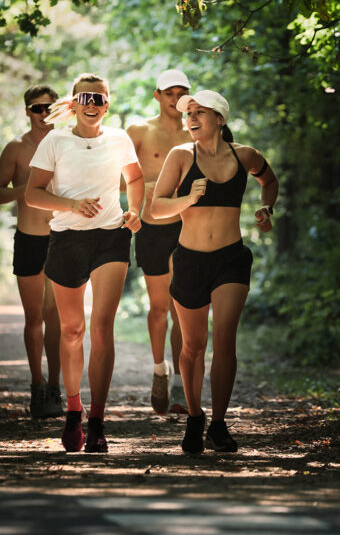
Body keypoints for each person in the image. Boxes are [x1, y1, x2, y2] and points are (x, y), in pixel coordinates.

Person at [150, 90, 278, 454]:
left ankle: (219, 424)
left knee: (224, 340)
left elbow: (269, 181)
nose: (190, 118)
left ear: (219, 118)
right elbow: (156, 208)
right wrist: (187, 198)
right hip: (190, 260)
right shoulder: (180, 156)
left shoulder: (246, 155)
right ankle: (194, 418)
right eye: (187, 113)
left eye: (198, 112)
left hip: (231, 259)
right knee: (192, 346)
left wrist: (266, 209)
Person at [25, 73, 144, 453]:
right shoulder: (55, 141)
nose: (92, 104)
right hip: (67, 240)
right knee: (73, 331)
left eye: (99, 98)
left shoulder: (119, 138)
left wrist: (136, 210)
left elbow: (136, 177)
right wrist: (72, 205)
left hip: (110, 237)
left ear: (108, 104)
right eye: (85, 98)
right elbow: (32, 195)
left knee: (102, 328)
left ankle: (97, 421)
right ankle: (73, 412)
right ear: (74, 104)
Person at [0, 85, 63, 420]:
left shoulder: (68, 144)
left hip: (62, 238)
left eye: (50, 107)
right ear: (27, 111)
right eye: (37, 108)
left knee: (57, 318)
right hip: (30, 239)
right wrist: (29, 186)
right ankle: (37, 385)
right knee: (34, 317)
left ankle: (57, 387)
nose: (44, 113)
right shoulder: (16, 149)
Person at [126, 69, 193, 415]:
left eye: (182, 92)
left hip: (187, 228)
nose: (175, 97)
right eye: (169, 92)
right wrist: (132, 206)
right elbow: (116, 171)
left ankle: (182, 382)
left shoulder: (197, 131)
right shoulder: (140, 131)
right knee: (159, 308)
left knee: (183, 307)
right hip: (151, 227)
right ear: (157, 95)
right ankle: (159, 371)